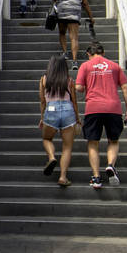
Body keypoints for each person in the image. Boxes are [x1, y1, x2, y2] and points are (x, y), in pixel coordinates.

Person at [76, 41, 127, 190]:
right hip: (113, 108)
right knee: (113, 140)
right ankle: (110, 165)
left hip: (93, 108)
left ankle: (96, 178)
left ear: (89, 54)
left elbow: (79, 88)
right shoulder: (114, 66)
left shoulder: (85, 66)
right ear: (103, 53)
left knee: (93, 143)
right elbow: (125, 87)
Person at [39, 55, 79, 188]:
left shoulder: (44, 80)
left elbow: (43, 101)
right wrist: (77, 118)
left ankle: (51, 157)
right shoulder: (69, 80)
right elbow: (74, 101)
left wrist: (42, 118)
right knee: (67, 147)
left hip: (50, 110)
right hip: (68, 110)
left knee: (47, 139)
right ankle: (63, 177)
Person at [51, 0, 92, 65]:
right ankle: (74, 61)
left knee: (62, 33)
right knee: (74, 37)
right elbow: (85, 3)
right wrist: (91, 16)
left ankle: (65, 53)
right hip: (74, 12)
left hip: (62, 12)